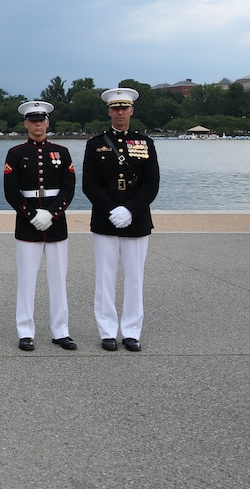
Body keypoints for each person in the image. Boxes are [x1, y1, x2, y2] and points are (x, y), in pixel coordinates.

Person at [82, 87, 161, 352]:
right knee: (104, 278)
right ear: (109, 111)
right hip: (105, 219)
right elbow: (89, 185)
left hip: (137, 219)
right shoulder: (95, 144)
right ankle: (107, 330)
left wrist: (130, 210)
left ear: (131, 111)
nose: (120, 113)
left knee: (134, 278)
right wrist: (111, 210)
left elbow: (152, 183)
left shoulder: (145, 143)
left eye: (124, 108)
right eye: (115, 108)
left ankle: (131, 331)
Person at [3, 100, 77, 352]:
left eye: (41, 120)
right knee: (26, 280)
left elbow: (68, 188)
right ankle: (25, 331)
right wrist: (32, 213)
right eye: (32, 120)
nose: (37, 124)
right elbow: (11, 190)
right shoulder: (15, 153)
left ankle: (61, 330)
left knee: (59, 279)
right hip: (27, 223)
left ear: (47, 122)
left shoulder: (62, 151)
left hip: (56, 223)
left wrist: (52, 213)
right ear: (26, 123)